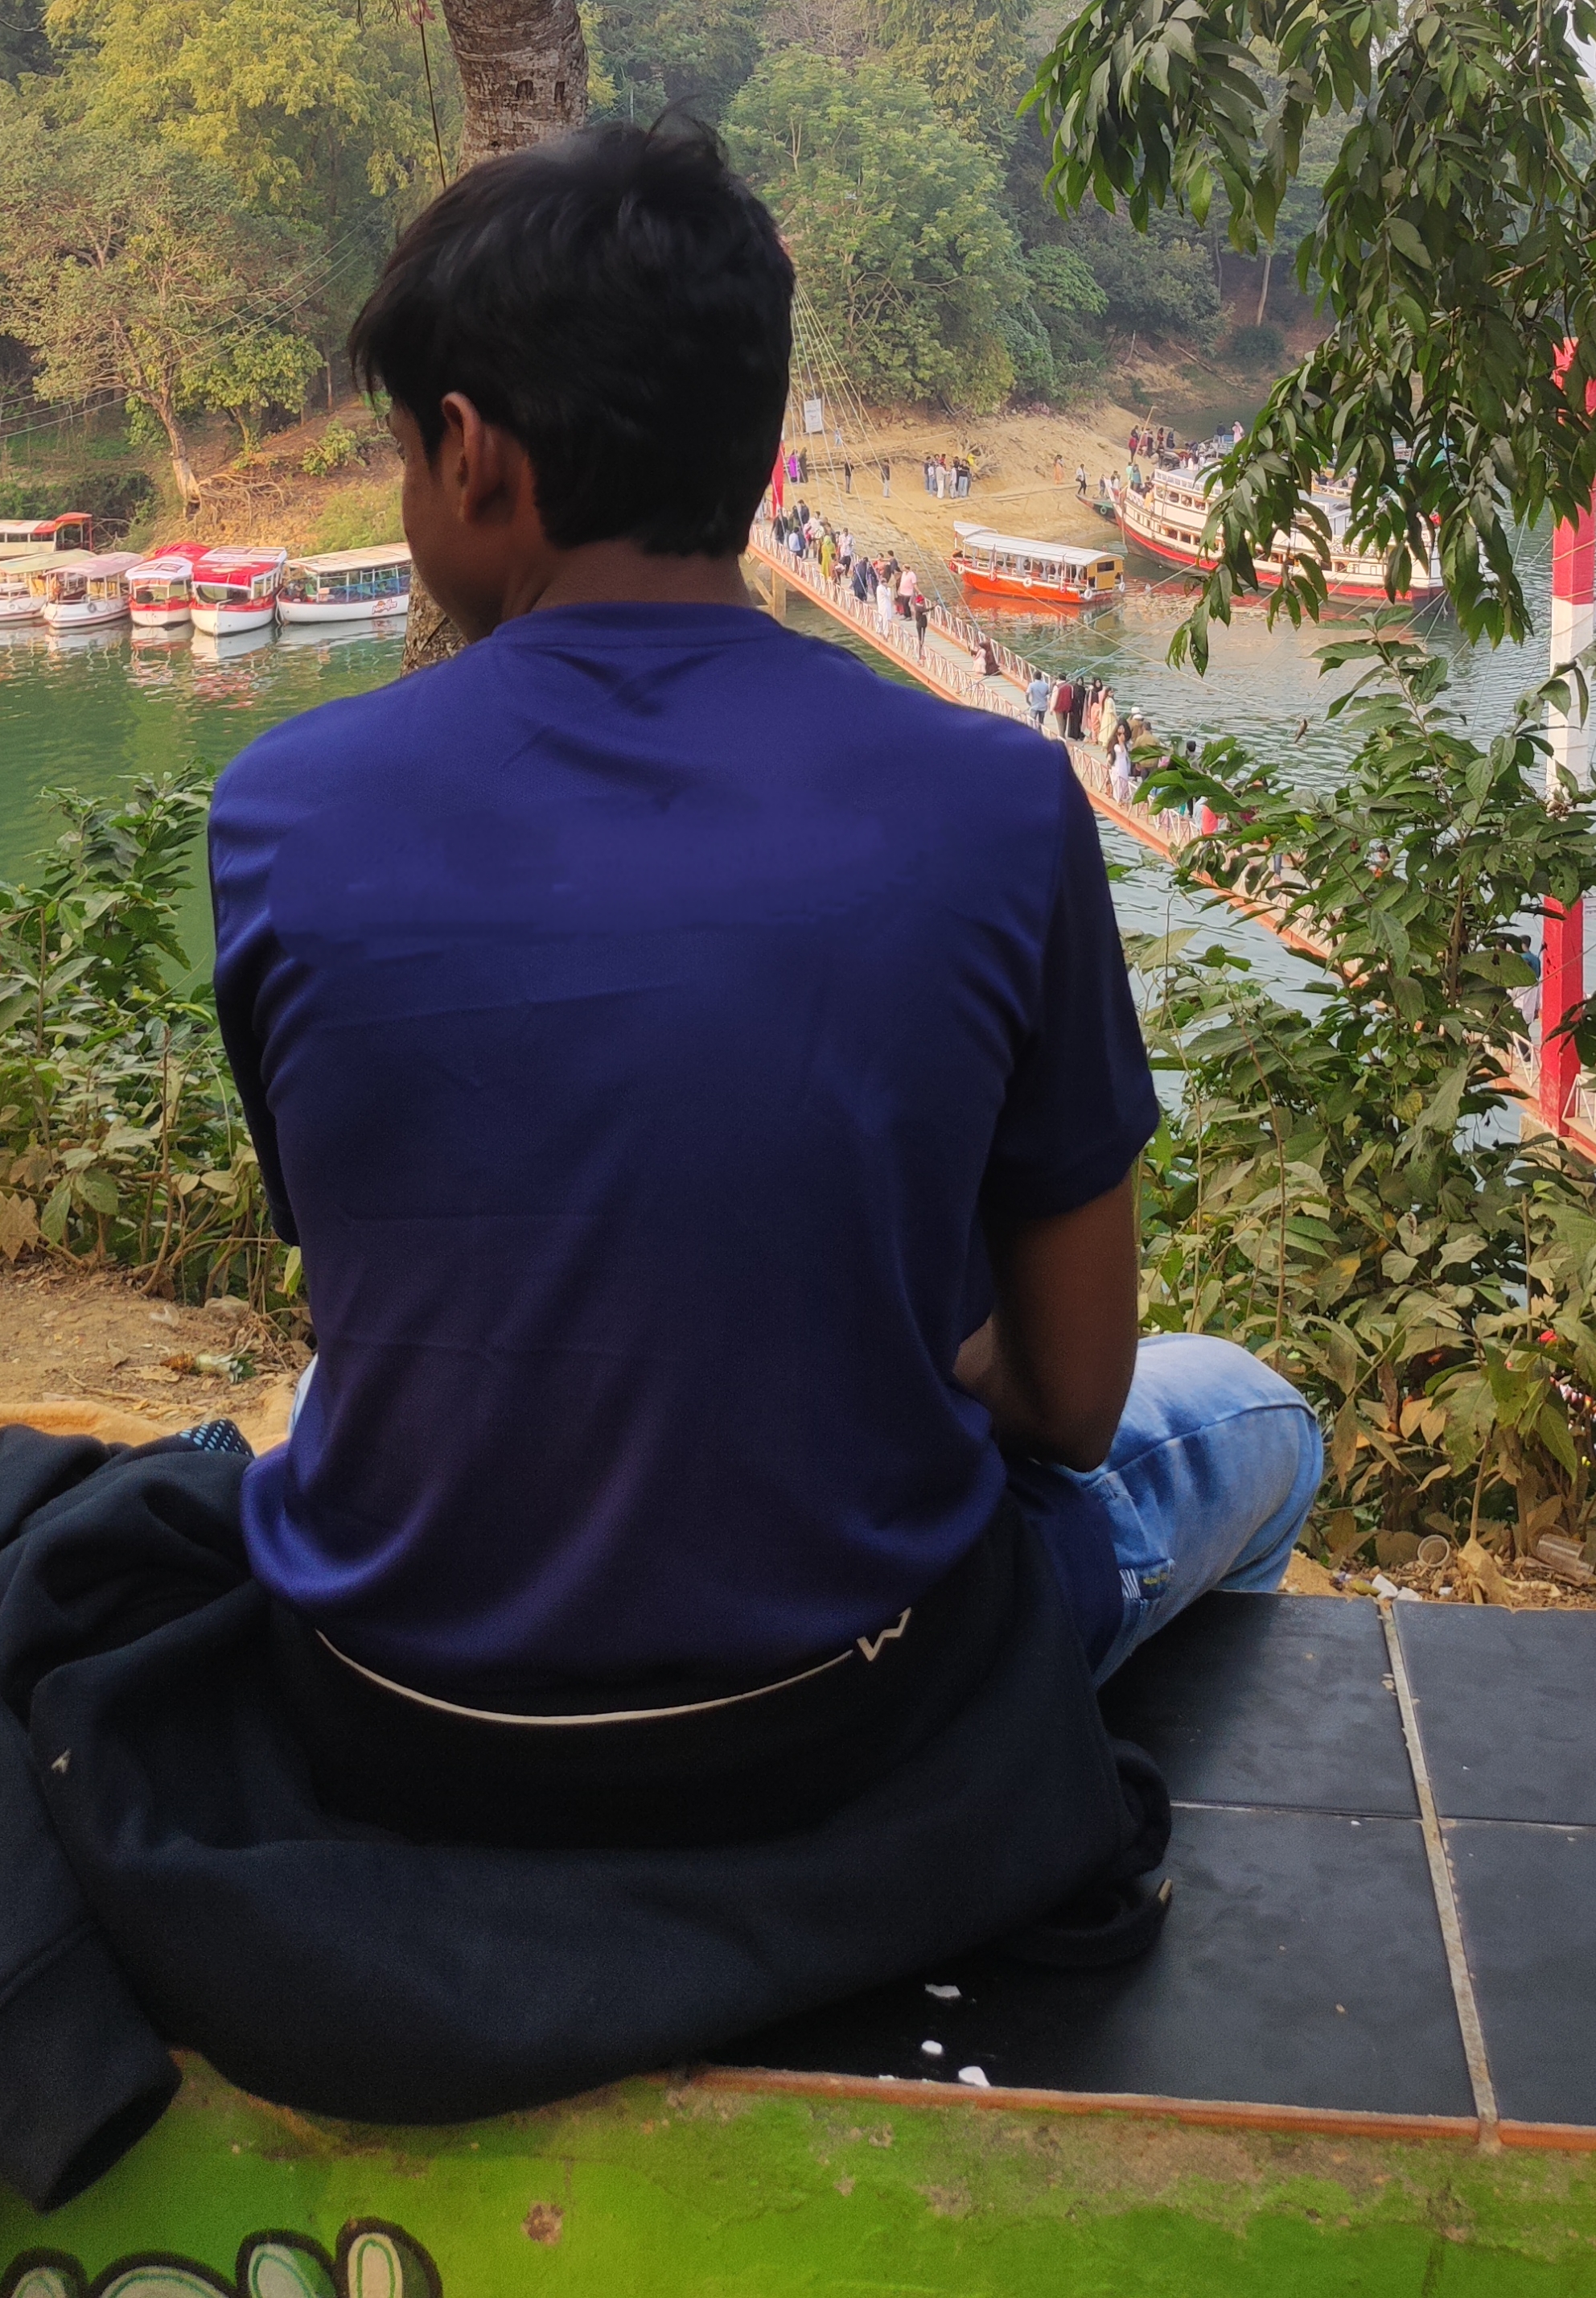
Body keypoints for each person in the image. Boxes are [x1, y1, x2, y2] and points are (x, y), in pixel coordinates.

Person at [210, 115, 1320, 1863]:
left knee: (318, 1410)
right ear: (748, 439)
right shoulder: (993, 798)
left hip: (399, 1710)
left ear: (472, 454)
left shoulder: (280, 808)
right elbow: (1071, 1398)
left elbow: (395, 1260)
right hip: (854, 1722)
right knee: (1257, 1416)